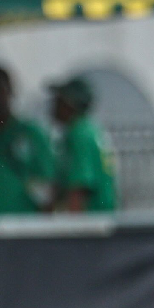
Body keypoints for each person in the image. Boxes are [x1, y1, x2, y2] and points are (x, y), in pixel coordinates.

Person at [0, 64, 55, 214]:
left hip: (24, 222)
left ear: (11, 91)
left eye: (2, 90)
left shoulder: (31, 134)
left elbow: (48, 182)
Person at [48, 77, 117, 213]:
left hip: (92, 220)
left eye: (59, 99)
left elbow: (78, 188)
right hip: (105, 216)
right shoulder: (91, 130)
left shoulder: (78, 134)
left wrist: (75, 225)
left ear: (70, 103)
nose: (54, 103)